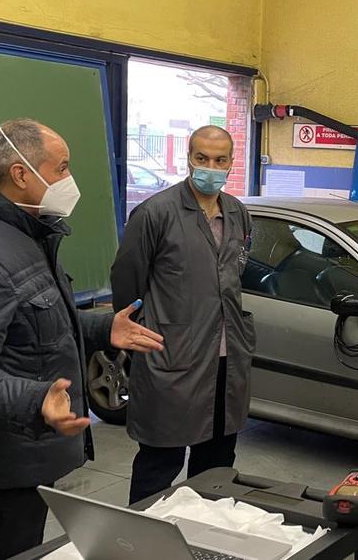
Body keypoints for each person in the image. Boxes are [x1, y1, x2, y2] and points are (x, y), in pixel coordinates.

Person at [0, 119, 164, 560]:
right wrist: (35, 400)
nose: (69, 181)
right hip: (6, 459)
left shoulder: (24, 233)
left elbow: (31, 324)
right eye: (62, 169)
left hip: (29, 450)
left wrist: (99, 328)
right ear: (20, 175)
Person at [111, 125, 256, 504]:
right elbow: (127, 285)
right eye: (202, 158)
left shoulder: (238, 213)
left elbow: (233, 274)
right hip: (171, 358)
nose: (211, 167)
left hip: (226, 360)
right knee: (160, 463)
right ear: (188, 159)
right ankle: (143, 541)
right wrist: (140, 334)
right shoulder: (155, 213)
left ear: (231, 163)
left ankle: (203, 537)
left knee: (218, 469)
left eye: (220, 160)